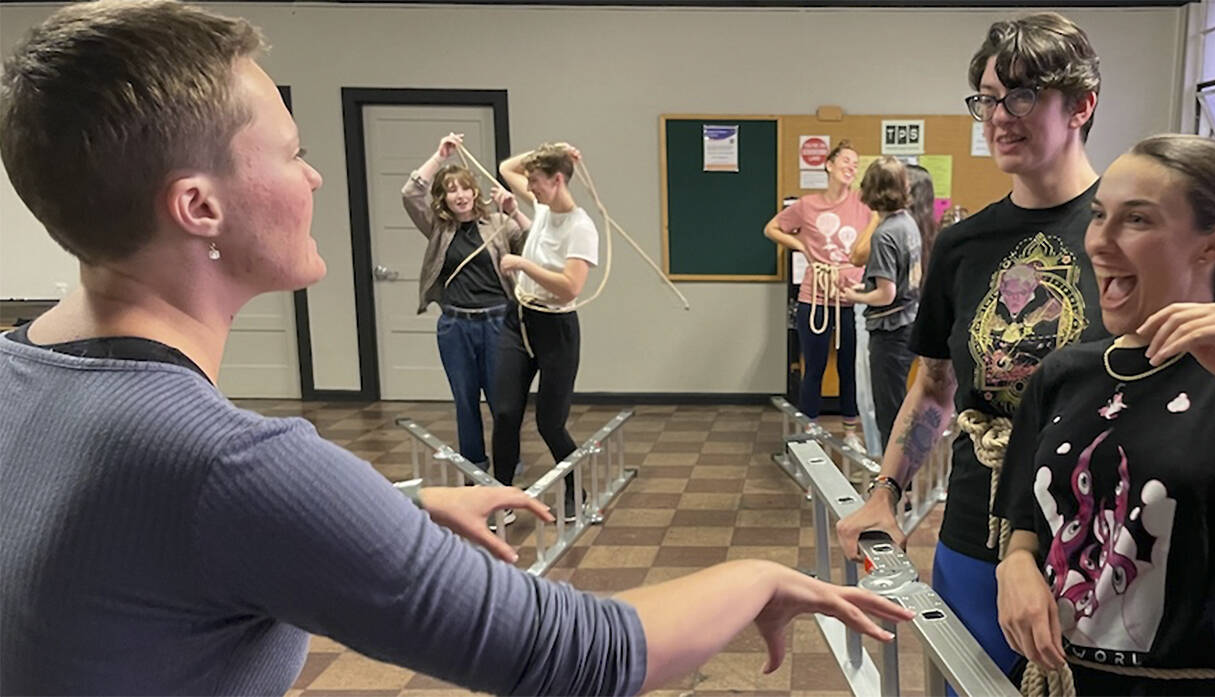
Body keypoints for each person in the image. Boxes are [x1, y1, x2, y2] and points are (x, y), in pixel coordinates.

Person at [0, 3, 915, 695]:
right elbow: (572, 651)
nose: (315, 174)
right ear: (199, 206)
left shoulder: (18, 371)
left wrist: (394, 502)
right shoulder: (232, 468)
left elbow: (163, 541)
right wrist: (757, 573)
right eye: (293, 148)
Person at [836, 11, 1108, 677]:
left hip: (1098, 532)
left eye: (1022, 94)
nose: (999, 115)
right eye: (987, 98)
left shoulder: (1123, 234)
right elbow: (934, 385)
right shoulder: (961, 244)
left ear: (1082, 104)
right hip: (975, 529)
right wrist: (886, 490)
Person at [994, 134, 1215, 695]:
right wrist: (1015, 567)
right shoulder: (1067, 371)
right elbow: (1024, 518)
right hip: (1056, 682)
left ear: (1213, 244)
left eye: (1136, 220)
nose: (1100, 243)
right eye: (1098, 216)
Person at [401, 133, 528, 485]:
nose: (459, 195)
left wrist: (514, 209)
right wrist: (439, 155)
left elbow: (534, 244)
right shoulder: (439, 228)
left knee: (504, 403)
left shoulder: (498, 225)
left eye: (464, 188)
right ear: (443, 197)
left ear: (475, 191)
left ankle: (507, 463)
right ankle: (474, 468)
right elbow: (411, 194)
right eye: (451, 190)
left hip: (498, 323)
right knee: (464, 400)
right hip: (456, 325)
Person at [494, 143, 596, 522]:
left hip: (557, 327)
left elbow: (570, 287)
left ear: (557, 181)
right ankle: (501, 496)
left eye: (536, 182)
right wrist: (552, 147)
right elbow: (507, 167)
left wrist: (523, 263)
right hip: (518, 320)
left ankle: (575, 491)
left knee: (549, 423)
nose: (530, 188)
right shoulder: (541, 207)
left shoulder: (581, 227)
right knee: (505, 412)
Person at [765, 141, 875, 449]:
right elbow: (772, 228)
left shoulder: (863, 204)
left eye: (856, 163)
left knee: (849, 367)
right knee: (813, 367)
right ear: (829, 165)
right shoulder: (807, 205)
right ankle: (809, 427)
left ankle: (851, 431)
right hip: (814, 297)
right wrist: (801, 246)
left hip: (853, 299)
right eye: (846, 161)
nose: (851, 167)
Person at [839, 156, 922, 449]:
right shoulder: (908, 223)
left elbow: (885, 294)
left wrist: (854, 295)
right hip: (909, 321)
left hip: (890, 332)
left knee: (889, 413)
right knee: (899, 405)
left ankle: (895, 487)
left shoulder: (884, 235)